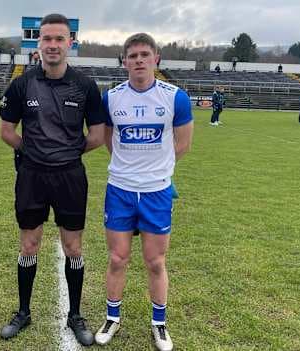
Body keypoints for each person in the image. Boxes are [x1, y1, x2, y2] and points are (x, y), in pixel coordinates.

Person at [0, 13, 105, 346]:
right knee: (29, 244)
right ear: (38, 43)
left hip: (70, 177)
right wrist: (33, 153)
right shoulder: (22, 84)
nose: (53, 45)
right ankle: (24, 312)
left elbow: (98, 136)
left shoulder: (85, 86)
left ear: (70, 42)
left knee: (73, 247)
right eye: (47, 38)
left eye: (60, 38)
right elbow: (6, 131)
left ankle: (75, 314)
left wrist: (67, 154)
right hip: (32, 176)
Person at [94, 33, 193, 351]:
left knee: (155, 261)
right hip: (120, 190)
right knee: (117, 258)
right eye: (132, 55)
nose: (138, 60)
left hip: (156, 193)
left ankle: (160, 324)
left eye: (144, 55)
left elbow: (183, 145)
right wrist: (129, 168)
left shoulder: (175, 97)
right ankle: (112, 317)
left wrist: (156, 170)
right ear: (124, 61)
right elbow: (109, 140)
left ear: (156, 59)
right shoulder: (111, 98)